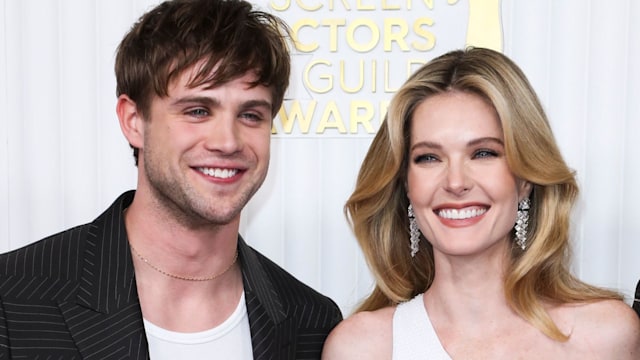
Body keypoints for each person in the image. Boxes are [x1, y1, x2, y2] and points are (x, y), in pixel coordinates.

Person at [0, 0, 342, 358]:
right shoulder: (13, 300)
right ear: (134, 120)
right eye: (197, 111)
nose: (227, 141)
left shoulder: (313, 323)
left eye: (251, 115)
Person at [322, 47, 640, 359]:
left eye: (484, 153)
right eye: (429, 157)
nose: (456, 182)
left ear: (525, 178)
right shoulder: (361, 348)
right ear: (406, 183)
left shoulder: (605, 337)